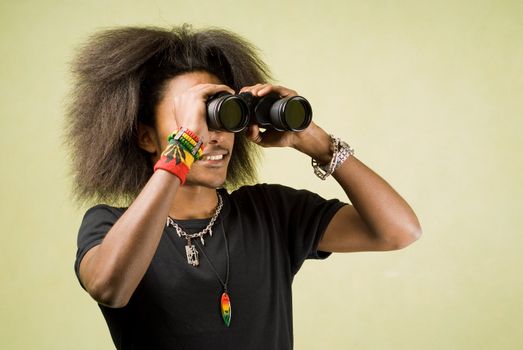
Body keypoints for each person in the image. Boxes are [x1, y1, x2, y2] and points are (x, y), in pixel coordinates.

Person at [67, 25, 421, 350]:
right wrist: (184, 145)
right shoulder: (110, 226)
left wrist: (317, 142)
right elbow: (110, 288)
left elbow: (399, 231)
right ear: (146, 137)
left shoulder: (269, 213)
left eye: (221, 116)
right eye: (193, 119)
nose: (214, 136)